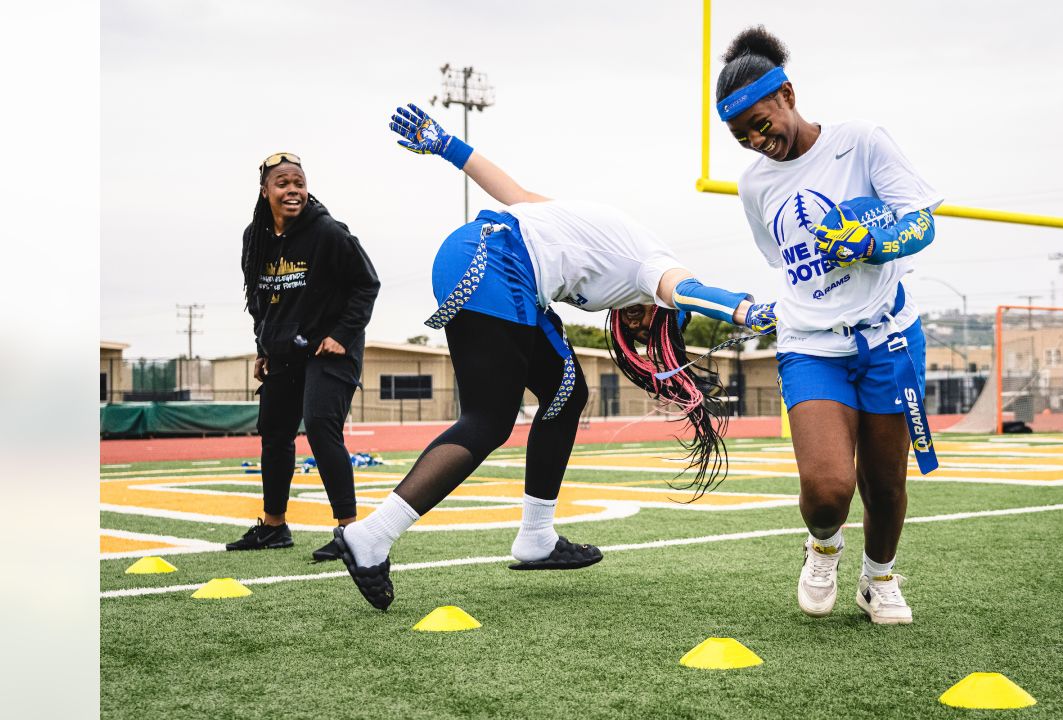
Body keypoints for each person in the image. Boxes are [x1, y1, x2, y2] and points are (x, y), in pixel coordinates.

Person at [332, 104, 777, 610]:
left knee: (567, 389)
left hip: (494, 262)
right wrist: (743, 309)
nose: (634, 324)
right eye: (646, 318)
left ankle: (536, 537)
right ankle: (372, 535)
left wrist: (445, 145)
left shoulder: (617, 246)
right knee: (488, 420)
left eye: (642, 327)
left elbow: (518, 197)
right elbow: (686, 288)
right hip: (494, 261)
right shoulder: (653, 267)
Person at [716, 27, 943, 624]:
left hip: (889, 336)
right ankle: (823, 547)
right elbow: (785, 262)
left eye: (762, 124)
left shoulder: (861, 142)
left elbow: (920, 222)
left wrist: (872, 241)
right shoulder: (754, 185)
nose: (758, 142)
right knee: (826, 490)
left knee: (886, 484)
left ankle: (878, 578)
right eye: (742, 138)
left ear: (787, 94)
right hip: (810, 346)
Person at [229, 152, 381, 562]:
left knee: (319, 425)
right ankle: (274, 526)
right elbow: (259, 298)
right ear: (265, 192)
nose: (292, 190)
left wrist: (342, 335)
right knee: (274, 433)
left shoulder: (328, 232)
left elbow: (367, 284)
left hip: (328, 348)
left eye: (298, 182)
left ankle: (350, 532)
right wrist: (263, 347)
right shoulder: (255, 237)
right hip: (283, 351)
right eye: (282, 183)